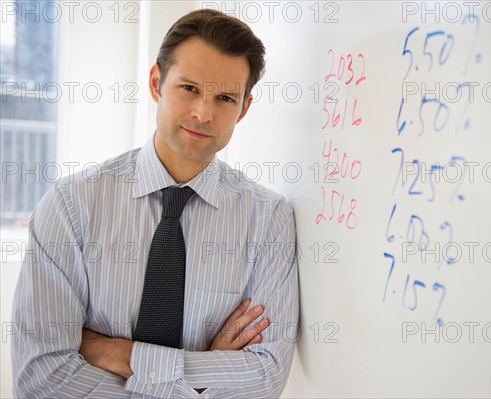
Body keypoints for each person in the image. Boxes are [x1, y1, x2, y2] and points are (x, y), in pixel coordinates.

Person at [11, 9, 299, 398]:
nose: (203, 113)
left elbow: (264, 378)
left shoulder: (269, 221)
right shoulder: (70, 206)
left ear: (243, 109)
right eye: (189, 89)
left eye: (225, 98)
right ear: (155, 82)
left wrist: (117, 353)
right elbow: (42, 379)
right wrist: (201, 374)